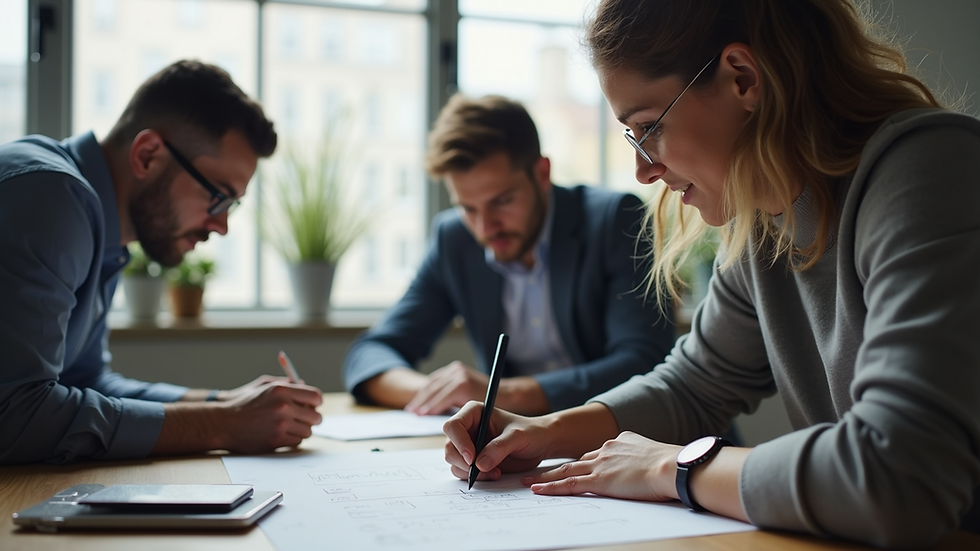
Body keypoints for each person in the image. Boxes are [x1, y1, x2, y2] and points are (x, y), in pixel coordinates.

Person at [442, 0, 980, 547]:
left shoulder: (932, 169)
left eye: (649, 127)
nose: (643, 170)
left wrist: (671, 468)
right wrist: (542, 433)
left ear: (743, 78)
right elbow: (693, 387)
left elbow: (899, 476)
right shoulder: (763, 219)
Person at [0, 60, 323, 464]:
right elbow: (15, 413)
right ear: (148, 154)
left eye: (232, 206)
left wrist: (224, 402)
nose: (221, 226)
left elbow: (86, 382)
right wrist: (225, 424)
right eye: (218, 196)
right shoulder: (51, 195)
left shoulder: (103, 229)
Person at [343, 94, 675, 416]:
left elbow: (642, 363)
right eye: (468, 208)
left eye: (502, 201)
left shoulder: (616, 219)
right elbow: (371, 354)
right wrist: (436, 393)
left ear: (542, 173)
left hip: (637, 443)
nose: (485, 227)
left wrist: (501, 394)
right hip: (522, 454)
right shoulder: (455, 239)